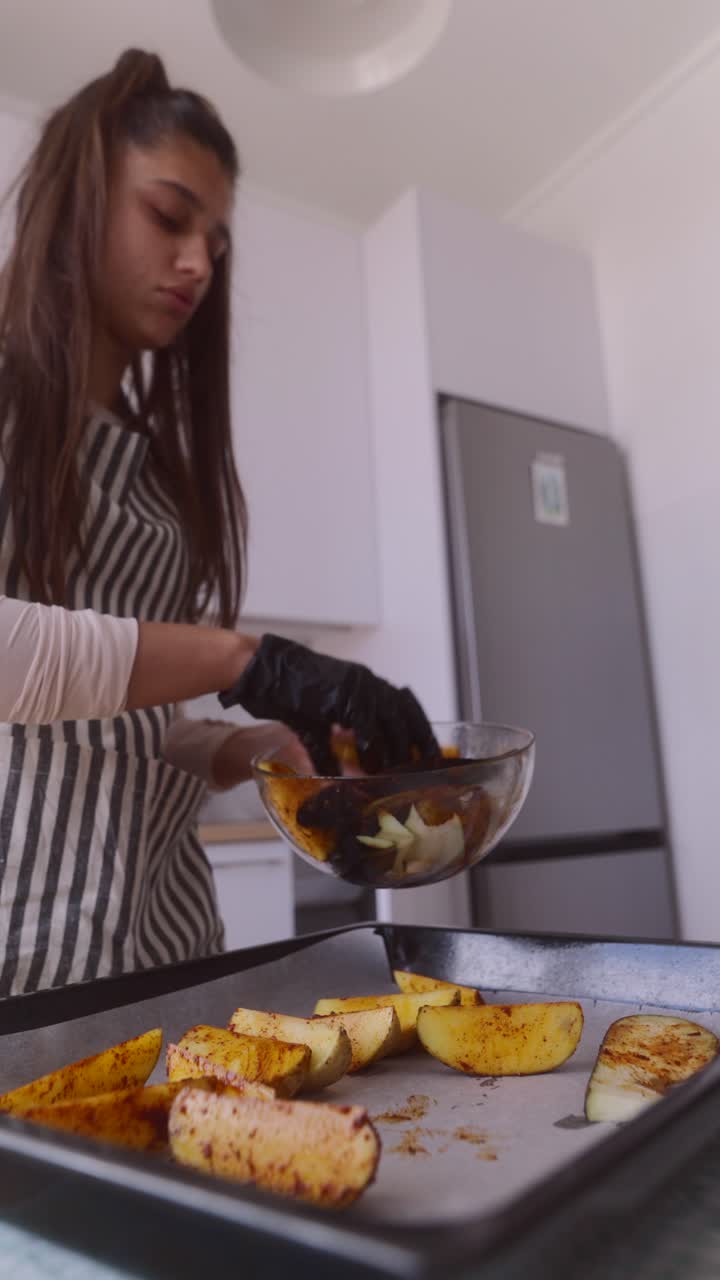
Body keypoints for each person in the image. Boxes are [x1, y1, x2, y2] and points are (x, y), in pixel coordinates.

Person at [0, 49, 438, 999]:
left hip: (159, 943)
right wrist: (243, 661)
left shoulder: (156, 474)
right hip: (20, 956)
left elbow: (123, 723)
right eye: (167, 216)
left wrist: (253, 749)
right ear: (80, 198)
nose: (198, 261)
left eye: (217, 241)